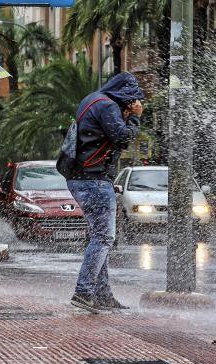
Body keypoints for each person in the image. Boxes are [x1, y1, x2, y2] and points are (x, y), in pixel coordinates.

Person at [67, 72, 144, 313]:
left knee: (99, 237)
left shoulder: (92, 100)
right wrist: (135, 118)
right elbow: (122, 138)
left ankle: (101, 294)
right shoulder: (108, 105)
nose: (133, 104)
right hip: (93, 180)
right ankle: (84, 291)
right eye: (132, 100)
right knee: (103, 237)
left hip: (84, 178)